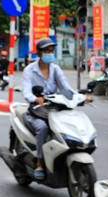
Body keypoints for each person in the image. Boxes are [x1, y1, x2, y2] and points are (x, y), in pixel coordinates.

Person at [22, 37, 81, 180]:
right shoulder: (29, 70)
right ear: (39, 53)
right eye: (46, 51)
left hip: (55, 109)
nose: (50, 53)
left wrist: (80, 96)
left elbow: (66, 88)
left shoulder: (55, 69)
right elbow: (26, 92)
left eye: (51, 50)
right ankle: (40, 162)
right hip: (37, 109)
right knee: (42, 128)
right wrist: (35, 98)